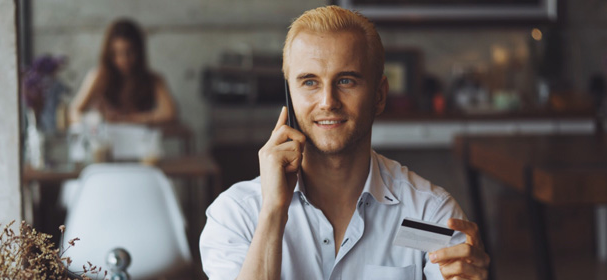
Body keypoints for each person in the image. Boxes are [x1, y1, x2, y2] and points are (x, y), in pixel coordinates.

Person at [199, 6, 490, 280]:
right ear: (289, 96)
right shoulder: (238, 215)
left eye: (346, 81)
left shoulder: (424, 217)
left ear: (379, 95)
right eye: (309, 82)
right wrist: (274, 211)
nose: (327, 102)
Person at [68, 18, 176, 125]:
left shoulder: (153, 79)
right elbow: (74, 112)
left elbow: (169, 113)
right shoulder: (98, 77)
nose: (124, 59)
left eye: (130, 52)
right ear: (109, 53)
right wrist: (94, 121)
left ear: (139, 51)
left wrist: (127, 119)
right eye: (117, 53)